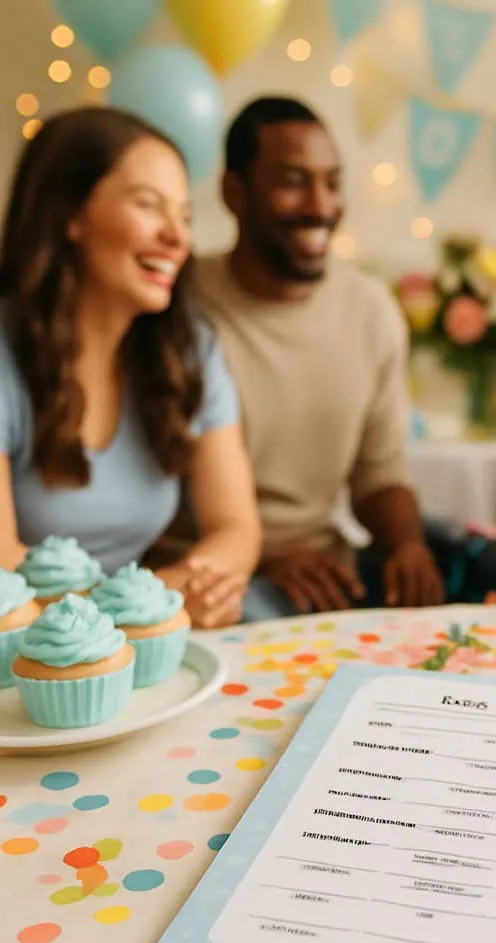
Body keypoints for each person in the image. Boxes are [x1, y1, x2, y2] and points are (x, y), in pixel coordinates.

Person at [163, 96, 443, 618]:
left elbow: (378, 476)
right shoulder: (174, 304)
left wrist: (409, 547)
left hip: (324, 569)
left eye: (332, 182)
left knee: (490, 575)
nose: (320, 205)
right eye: (293, 181)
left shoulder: (371, 310)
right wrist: (265, 557)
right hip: (210, 577)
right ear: (234, 192)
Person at [0, 107, 261, 628]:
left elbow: (237, 529)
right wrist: (149, 601)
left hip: (133, 640)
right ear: (70, 214)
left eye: (184, 217)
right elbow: (3, 574)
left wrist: (194, 588)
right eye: (149, 206)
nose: (176, 237)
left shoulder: (189, 348)